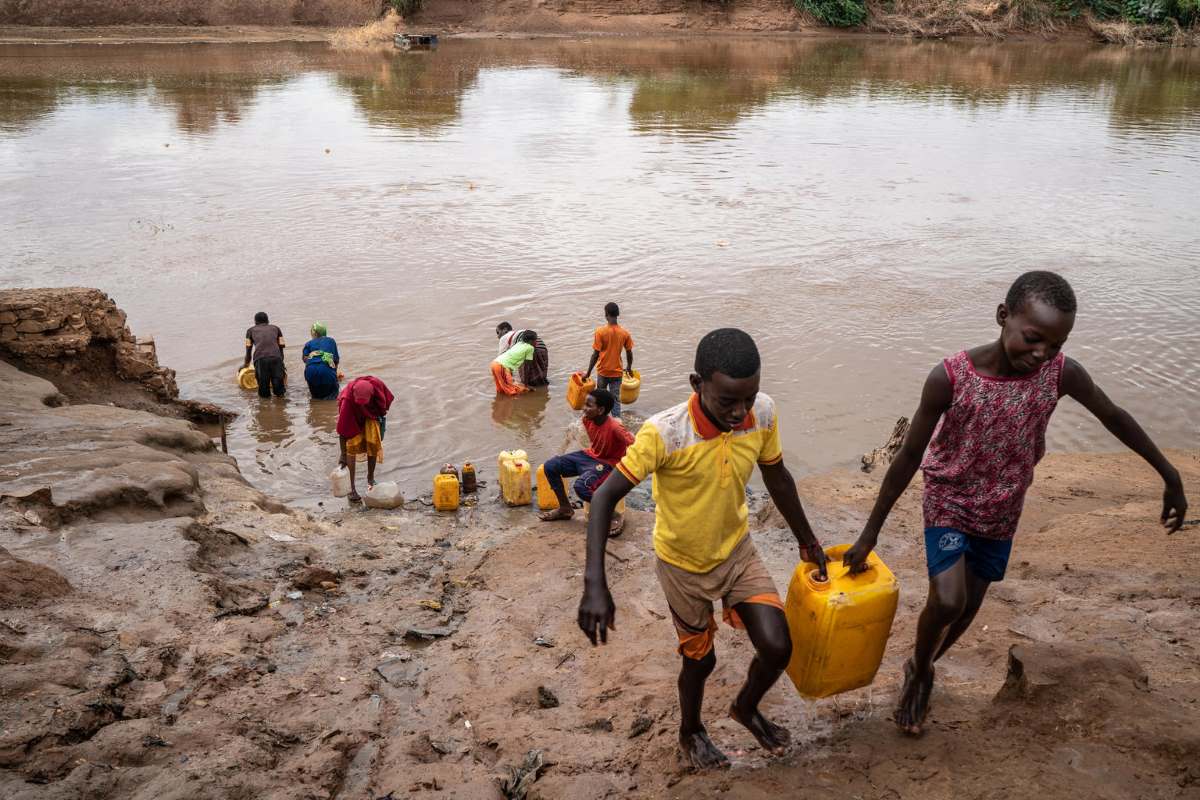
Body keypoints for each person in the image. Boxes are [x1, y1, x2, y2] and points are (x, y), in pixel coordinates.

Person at [841, 270, 1189, 737]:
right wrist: (870, 533)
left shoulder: (1060, 373)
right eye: (1032, 338)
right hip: (950, 499)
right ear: (1003, 316)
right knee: (948, 599)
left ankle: (921, 664)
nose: (1041, 353)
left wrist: (1169, 474)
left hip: (1003, 509)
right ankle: (922, 670)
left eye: (1054, 344)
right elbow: (908, 457)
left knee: (968, 610)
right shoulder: (950, 377)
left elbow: (1113, 416)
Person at [577, 328, 829, 770]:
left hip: (736, 552)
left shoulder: (763, 414)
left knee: (777, 645)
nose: (739, 411)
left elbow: (777, 477)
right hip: (681, 566)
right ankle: (690, 730)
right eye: (727, 400)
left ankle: (746, 708)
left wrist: (807, 541)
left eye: (747, 398)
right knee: (700, 661)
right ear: (697, 384)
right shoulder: (665, 433)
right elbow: (603, 498)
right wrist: (595, 583)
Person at [538, 388, 634, 533]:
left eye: (589, 405)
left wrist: (625, 473)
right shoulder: (587, 420)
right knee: (550, 466)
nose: (584, 408)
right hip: (590, 456)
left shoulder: (615, 428)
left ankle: (613, 514)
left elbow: (636, 445)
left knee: (581, 487)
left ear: (601, 410)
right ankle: (565, 508)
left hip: (608, 463)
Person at [336, 375, 394, 502]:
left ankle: (370, 479)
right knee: (351, 446)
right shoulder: (348, 400)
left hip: (371, 414)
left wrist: (378, 418)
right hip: (353, 413)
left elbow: (384, 405)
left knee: (373, 443)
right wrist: (343, 454)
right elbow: (343, 430)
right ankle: (351, 489)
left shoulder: (377, 387)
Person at [583, 302, 634, 418]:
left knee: (599, 399)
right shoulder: (625, 333)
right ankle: (617, 422)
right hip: (617, 372)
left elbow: (595, 355)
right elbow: (629, 352)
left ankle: (600, 420)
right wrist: (629, 367)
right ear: (618, 314)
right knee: (615, 399)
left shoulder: (600, 332)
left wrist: (588, 372)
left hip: (603, 372)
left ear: (606, 314)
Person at [243, 312, 286, 398]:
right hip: (276, 358)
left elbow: (248, 351)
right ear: (268, 321)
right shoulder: (276, 329)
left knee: (263, 389)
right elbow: (281, 348)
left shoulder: (250, 331)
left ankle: (265, 407)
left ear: (255, 322)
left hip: (260, 360)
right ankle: (281, 406)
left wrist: (245, 365)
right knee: (279, 390)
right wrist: (281, 363)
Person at [496, 322, 549, 387]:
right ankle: (543, 390)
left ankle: (531, 390)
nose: (497, 336)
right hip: (541, 346)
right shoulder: (519, 333)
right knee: (541, 375)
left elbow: (502, 362)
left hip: (529, 345)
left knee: (527, 380)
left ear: (505, 330)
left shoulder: (503, 338)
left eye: (498, 332)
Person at [491, 330, 539, 396]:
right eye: (535, 340)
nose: (536, 342)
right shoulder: (530, 348)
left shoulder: (519, 343)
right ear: (531, 341)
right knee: (512, 392)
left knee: (501, 389)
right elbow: (527, 367)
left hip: (495, 363)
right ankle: (511, 405)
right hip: (502, 366)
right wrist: (526, 384)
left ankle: (499, 401)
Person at [302, 322, 341, 401]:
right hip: (326, 371)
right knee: (332, 397)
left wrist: (315, 355)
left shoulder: (308, 343)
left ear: (314, 333)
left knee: (315, 398)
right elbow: (336, 360)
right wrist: (334, 374)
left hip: (310, 371)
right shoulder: (331, 341)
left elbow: (305, 359)